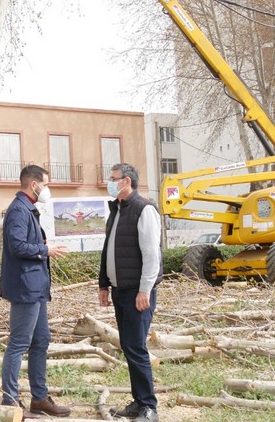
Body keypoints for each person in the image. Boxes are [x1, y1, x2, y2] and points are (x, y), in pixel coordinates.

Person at [0, 165, 71, 418]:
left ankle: (39, 399)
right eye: (46, 184)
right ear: (34, 185)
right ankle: (9, 401)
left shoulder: (28, 209)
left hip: (36, 287)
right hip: (25, 288)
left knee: (41, 341)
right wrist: (44, 250)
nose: (48, 189)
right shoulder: (19, 210)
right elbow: (17, 246)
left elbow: (26, 243)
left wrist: (43, 245)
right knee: (19, 344)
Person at [99, 163, 162, 422]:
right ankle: (138, 402)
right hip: (119, 290)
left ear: (126, 181)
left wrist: (144, 290)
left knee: (136, 346)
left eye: (113, 179)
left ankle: (149, 406)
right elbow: (108, 250)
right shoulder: (116, 210)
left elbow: (151, 255)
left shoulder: (143, 209)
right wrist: (104, 284)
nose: (109, 183)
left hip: (138, 292)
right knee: (128, 345)